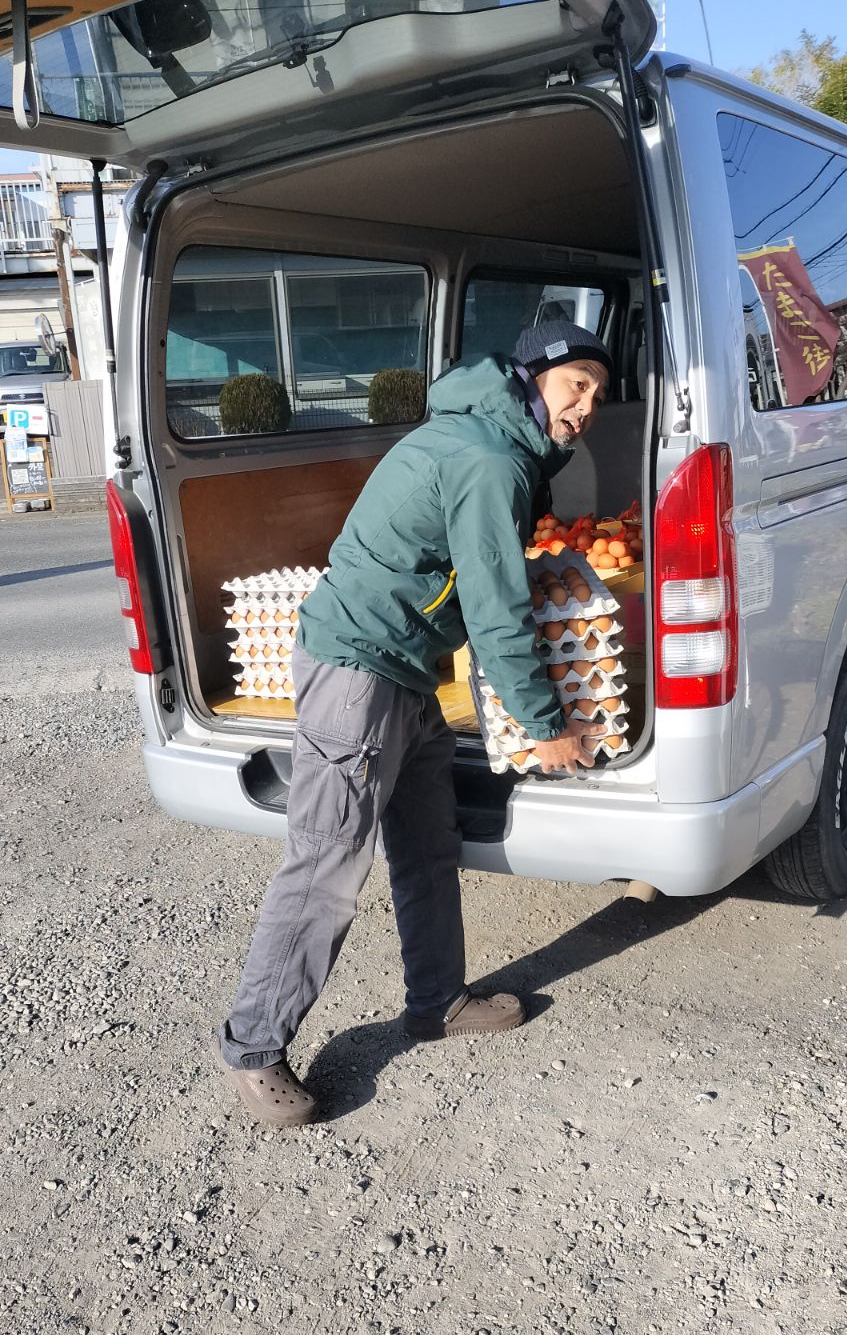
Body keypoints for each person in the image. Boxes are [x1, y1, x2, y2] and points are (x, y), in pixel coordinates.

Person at [216, 321, 613, 1126]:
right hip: (358, 670)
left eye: (599, 395)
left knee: (428, 845)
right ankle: (253, 1049)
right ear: (533, 378)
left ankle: (438, 1002)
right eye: (577, 384)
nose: (586, 406)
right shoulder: (489, 458)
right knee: (326, 862)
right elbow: (494, 609)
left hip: (404, 667)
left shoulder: (492, 440)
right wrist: (545, 723)